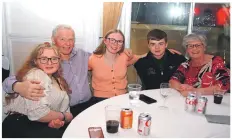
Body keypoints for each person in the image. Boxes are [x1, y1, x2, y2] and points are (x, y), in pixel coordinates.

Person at [2, 25, 93, 117]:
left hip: (89, 106)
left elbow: (102, 58)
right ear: (53, 40)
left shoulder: (82, 55)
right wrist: (17, 86)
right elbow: (9, 80)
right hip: (67, 110)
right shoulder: (47, 61)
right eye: (62, 39)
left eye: (71, 39)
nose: (68, 44)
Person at [2, 43, 73, 138]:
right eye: (44, 59)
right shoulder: (37, 74)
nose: (49, 63)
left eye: (54, 58)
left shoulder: (59, 81)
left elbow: (64, 111)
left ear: (59, 61)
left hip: (39, 125)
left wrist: (56, 122)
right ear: (35, 61)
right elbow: (37, 114)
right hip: (20, 124)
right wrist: (64, 116)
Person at [88, 29, 140, 101]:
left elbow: (141, 57)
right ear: (105, 41)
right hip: (100, 100)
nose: (115, 44)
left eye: (119, 41)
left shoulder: (125, 57)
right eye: (112, 40)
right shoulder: (93, 59)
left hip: (122, 98)